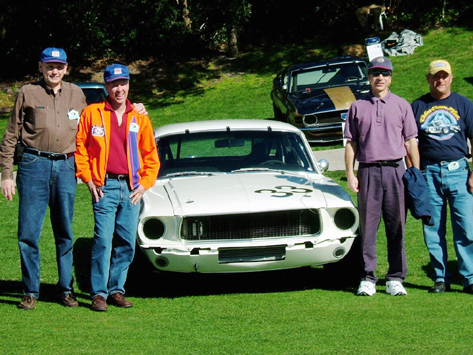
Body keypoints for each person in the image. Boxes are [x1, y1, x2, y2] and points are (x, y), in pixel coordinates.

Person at [0, 47, 87, 310]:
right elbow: (10, 137)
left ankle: (65, 290)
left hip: (65, 167)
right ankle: (30, 291)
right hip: (32, 166)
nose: (54, 71)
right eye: (49, 66)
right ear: (40, 67)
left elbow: (99, 121)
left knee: (65, 232)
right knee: (28, 233)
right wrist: (6, 174)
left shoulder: (76, 93)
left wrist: (135, 107)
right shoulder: (28, 92)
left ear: (66, 68)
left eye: (59, 66)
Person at [75, 64, 160, 311]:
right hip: (105, 187)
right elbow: (80, 148)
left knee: (125, 241)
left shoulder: (139, 117)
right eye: (113, 84)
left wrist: (144, 185)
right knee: (102, 240)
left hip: (131, 189)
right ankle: (98, 294)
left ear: (129, 85)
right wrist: (88, 180)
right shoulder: (92, 113)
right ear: (106, 87)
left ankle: (116, 290)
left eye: (123, 83)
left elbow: (151, 156)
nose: (119, 88)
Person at [344, 56, 420, 296]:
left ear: (391, 77)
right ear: (368, 77)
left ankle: (395, 278)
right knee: (367, 227)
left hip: (396, 171)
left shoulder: (402, 105)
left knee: (396, 225)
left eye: (384, 73)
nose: (380, 77)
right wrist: (350, 173)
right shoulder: (357, 106)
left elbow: (410, 141)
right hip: (368, 171)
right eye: (375, 73)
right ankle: (368, 277)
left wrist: (415, 173)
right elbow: (351, 143)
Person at [411, 60, 473, 294]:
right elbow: (409, 142)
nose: (440, 80)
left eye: (444, 76)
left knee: (466, 227)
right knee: (433, 227)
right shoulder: (417, 106)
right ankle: (440, 277)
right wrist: (414, 173)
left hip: (458, 171)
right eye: (436, 76)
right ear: (428, 79)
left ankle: (469, 277)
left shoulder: (464, 104)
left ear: (451, 77)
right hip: (429, 173)